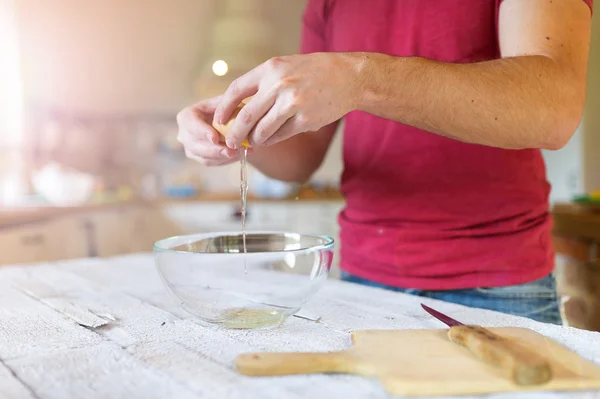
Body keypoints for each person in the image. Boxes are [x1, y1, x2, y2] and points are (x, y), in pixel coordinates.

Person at [177, 0, 594, 324]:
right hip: (364, 281)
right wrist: (232, 132)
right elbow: (301, 157)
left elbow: (552, 108)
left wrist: (359, 77)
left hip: (497, 288)